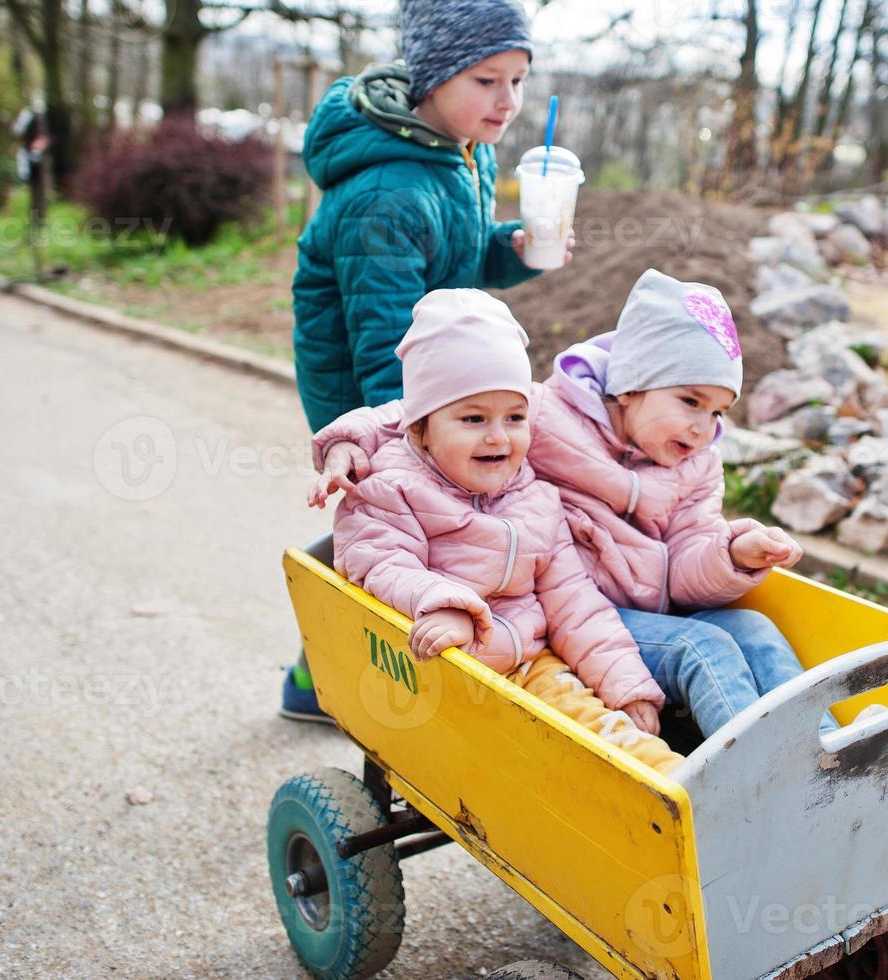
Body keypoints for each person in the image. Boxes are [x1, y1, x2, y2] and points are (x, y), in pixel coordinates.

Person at [312, 270, 825, 741]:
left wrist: (731, 555)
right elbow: (431, 409)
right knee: (703, 648)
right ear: (630, 386)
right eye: (689, 401)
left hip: (654, 612)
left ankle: (825, 746)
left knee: (754, 630)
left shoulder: (699, 465)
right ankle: (760, 775)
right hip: (579, 608)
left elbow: (687, 561)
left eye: (718, 411)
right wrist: (350, 441)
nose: (703, 426)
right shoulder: (544, 413)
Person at [283, 0, 573, 720]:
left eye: (518, 80)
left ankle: (345, 664)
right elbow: (383, 340)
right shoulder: (387, 193)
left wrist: (510, 249)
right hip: (374, 388)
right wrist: (390, 439)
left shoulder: (457, 154)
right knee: (395, 524)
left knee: (429, 526)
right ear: (433, 80)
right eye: (485, 80)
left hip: (436, 378)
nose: (507, 101)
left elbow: (459, 261)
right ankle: (326, 672)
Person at [333, 289, 683, 773]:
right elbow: (378, 562)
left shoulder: (535, 499)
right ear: (420, 430)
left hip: (532, 665)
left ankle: (688, 796)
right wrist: (449, 606)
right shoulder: (392, 487)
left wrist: (624, 683)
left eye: (514, 418)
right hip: (442, 673)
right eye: (473, 418)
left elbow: (574, 602)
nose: (498, 436)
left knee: (618, 746)